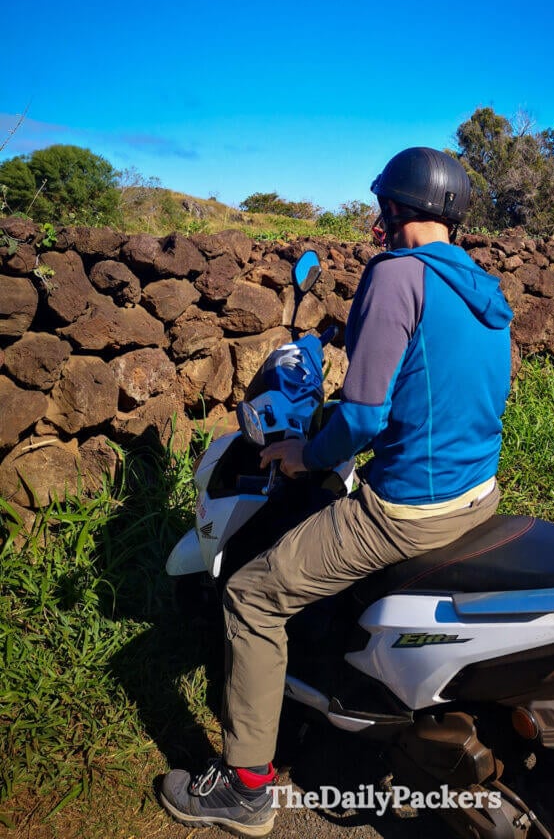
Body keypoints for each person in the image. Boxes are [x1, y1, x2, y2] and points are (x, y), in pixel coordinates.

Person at [160, 147, 513, 837]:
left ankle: (246, 788)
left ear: (393, 209)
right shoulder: (476, 284)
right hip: (478, 491)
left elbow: (359, 418)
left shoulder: (395, 275)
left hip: (407, 511)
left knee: (253, 594)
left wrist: (303, 455)